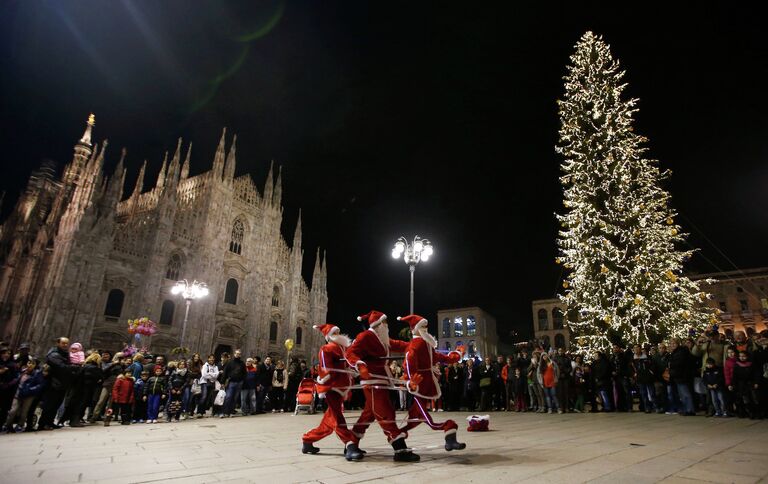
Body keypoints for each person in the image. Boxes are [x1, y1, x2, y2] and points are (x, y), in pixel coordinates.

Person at [346, 310, 418, 462]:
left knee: (369, 414)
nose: (387, 326)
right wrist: (360, 366)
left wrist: (419, 346)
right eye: (385, 323)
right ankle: (400, 448)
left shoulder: (382, 339)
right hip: (372, 381)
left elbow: (399, 344)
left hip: (382, 381)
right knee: (385, 413)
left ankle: (351, 443)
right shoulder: (365, 336)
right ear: (378, 325)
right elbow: (350, 353)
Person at [398, 314, 467, 451]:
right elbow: (409, 363)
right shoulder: (416, 345)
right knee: (428, 420)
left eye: (426, 325)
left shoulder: (425, 344)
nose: (426, 328)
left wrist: (457, 355)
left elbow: (440, 357)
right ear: (415, 329)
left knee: (416, 417)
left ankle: (398, 435)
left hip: (425, 383)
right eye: (423, 325)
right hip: (420, 385)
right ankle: (449, 430)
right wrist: (411, 381)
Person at [301, 324, 363, 461]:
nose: (339, 334)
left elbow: (350, 362)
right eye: (335, 332)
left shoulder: (345, 349)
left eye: (339, 332)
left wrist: (355, 369)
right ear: (328, 336)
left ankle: (307, 440)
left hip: (343, 386)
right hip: (332, 387)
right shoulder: (326, 348)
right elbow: (325, 368)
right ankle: (350, 444)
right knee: (337, 417)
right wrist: (326, 379)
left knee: (330, 420)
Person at [38, 337, 80, 430]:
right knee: (49, 404)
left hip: (62, 383)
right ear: (58, 343)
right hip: (53, 382)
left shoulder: (65, 354)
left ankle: (50, 422)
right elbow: (61, 367)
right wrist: (73, 367)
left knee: (56, 404)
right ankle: (43, 423)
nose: (65, 345)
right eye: (63, 343)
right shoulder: (53, 354)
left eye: (66, 343)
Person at [3, 357, 43, 433]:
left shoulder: (37, 373)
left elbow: (40, 385)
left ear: (35, 365)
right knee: (13, 411)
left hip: (29, 395)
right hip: (18, 394)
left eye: (33, 363)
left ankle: (20, 425)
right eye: (29, 363)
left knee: (24, 411)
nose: (30, 365)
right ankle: (7, 425)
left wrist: (30, 390)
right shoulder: (22, 371)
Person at [668, 338, 696, 416]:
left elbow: (678, 363)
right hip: (678, 376)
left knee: (685, 393)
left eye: (674, 343)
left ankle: (690, 409)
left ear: (678, 344)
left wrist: (672, 365)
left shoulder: (681, 352)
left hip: (682, 376)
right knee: (682, 394)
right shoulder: (675, 352)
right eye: (671, 343)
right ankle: (687, 409)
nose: (672, 345)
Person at [731, 351, 757, 419]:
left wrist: (755, 382)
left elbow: (755, 374)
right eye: (740, 356)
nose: (742, 358)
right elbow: (734, 376)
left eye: (744, 356)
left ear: (747, 356)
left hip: (749, 384)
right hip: (740, 385)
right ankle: (741, 412)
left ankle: (752, 413)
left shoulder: (751, 364)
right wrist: (734, 385)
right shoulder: (737, 365)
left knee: (750, 399)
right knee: (741, 400)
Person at [222, 349, 246, 417]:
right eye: (237, 353)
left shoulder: (242, 363)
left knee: (235, 398)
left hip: (239, 383)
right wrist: (222, 382)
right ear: (234, 354)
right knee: (228, 397)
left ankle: (231, 411)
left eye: (239, 354)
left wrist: (243, 381)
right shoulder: (230, 363)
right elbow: (225, 372)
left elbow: (244, 373)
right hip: (231, 382)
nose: (238, 355)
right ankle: (225, 412)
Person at [633, 345, 656, 413]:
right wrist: (634, 374)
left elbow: (653, 365)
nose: (636, 349)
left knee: (652, 393)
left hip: (648, 378)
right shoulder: (633, 359)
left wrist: (651, 371)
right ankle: (647, 408)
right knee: (643, 394)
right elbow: (631, 367)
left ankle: (655, 406)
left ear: (640, 349)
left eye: (638, 348)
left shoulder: (647, 357)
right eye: (635, 348)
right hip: (640, 379)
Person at [0, 347, 19, 425]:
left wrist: (8, 384)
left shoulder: (13, 365)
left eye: (8, 353)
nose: (6, 355)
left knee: (3, 409)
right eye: (4, 353)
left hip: (7, 390)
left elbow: (16, 378)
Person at [554, 348, 572, 412]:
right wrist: (559, 373)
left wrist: (565, 372)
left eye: (561, 350)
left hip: (566, 377)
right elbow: (554, 368)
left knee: (566, 392)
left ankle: (567, 407)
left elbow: (570, 367)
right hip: (559, 378)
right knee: (560, 393)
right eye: (559, 351)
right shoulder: (555, 358)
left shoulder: (567, 358)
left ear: (563, 351)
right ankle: (561, 407)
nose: (560, 352)